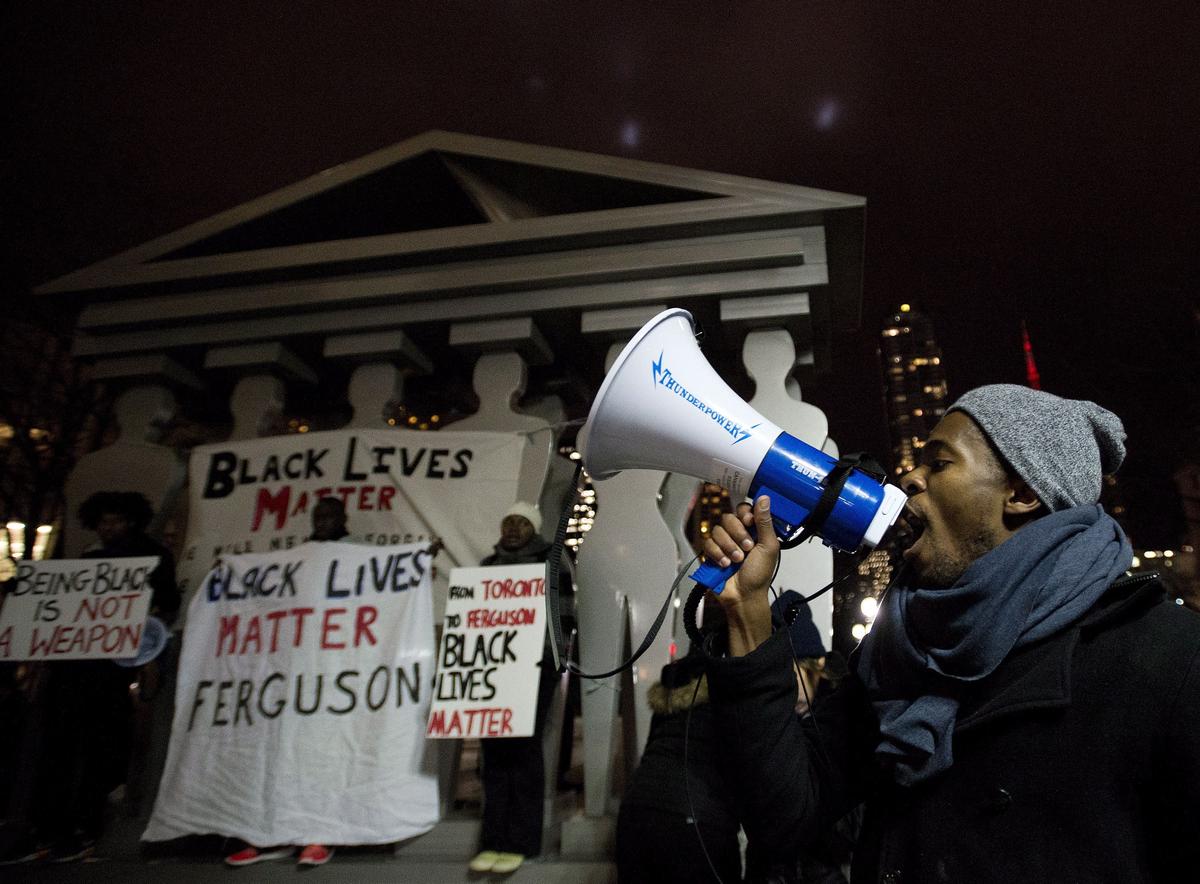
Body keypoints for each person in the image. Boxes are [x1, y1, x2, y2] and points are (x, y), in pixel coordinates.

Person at [700, 385, 1200, 882]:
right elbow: (785, 816)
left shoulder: (1165, 658)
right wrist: (748, 617)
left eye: (939, 463)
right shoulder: (899, 655)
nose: (910, 477)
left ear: (1023, 492)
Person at [29, 492, 180, 863]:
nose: (108, 527)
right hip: (74, 670)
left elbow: (167, 603)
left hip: (111, 672)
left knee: (100, 748)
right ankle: (50, 830)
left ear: (132, 521)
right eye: (103, 522)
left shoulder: (152, 558)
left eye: (115, 521)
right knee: (60, 749)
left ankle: (86, 827)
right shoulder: (88, 561)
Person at [223, 496, 347, 869]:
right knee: (273, 756)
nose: (322, 521)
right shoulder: (296, 559)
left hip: (332, 674)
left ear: (344, 518)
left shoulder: (359, 559)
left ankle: (317, 834)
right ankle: (265, 836)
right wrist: (234, 573)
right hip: (288, 674)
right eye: (318, 516)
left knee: (320, 757)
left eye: (330, 515)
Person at [468, 502, 560, 876]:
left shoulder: (550, 561)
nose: (513, 528)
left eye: (521, 523)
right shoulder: (487, 567)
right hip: (495, 669)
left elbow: (563, 612)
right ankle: (493, 840)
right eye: (508, 522)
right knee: (493, 753)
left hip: (534, 668)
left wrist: (553, 659)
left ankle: (521, 842)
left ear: (533, 529)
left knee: (523, 750)